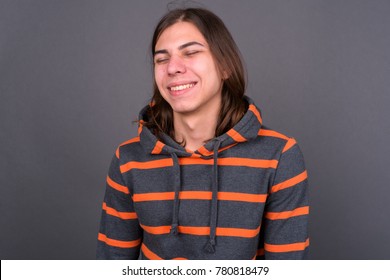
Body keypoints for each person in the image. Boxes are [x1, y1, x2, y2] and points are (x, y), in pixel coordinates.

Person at [96, 7, 309, 260]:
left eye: (191, 52)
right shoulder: (128, 159)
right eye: (162, 59)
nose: (173, 68)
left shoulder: (280, 156)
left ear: (225, 66)